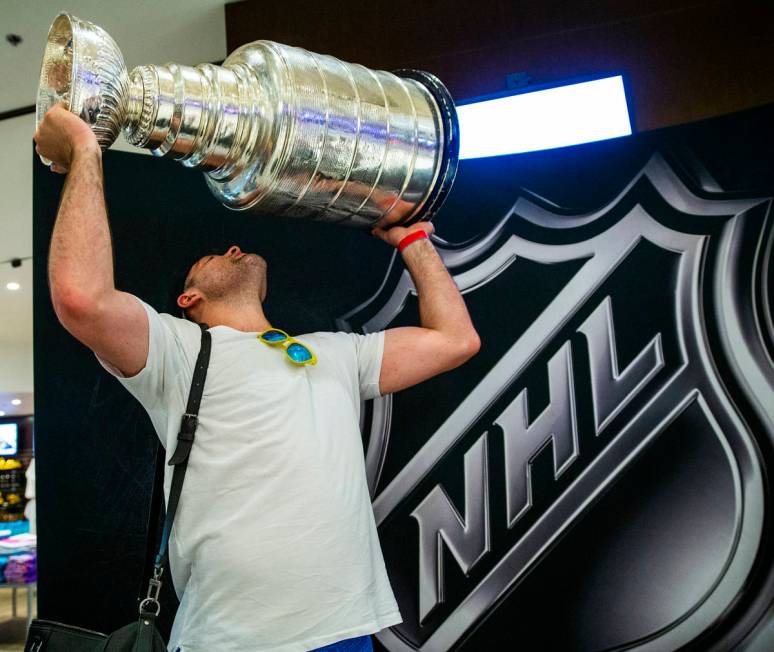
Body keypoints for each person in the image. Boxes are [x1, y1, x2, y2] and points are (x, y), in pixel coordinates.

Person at [34, 104, 480, 652]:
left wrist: (414, 242)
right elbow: (82, 298)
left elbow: (455, 340)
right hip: (232, 641)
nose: (235, 247)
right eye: (216, 255)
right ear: (188, 298)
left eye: (233, 246)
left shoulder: (334, 354)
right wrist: (85, 150)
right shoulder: (178, 348)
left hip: (345, 632)